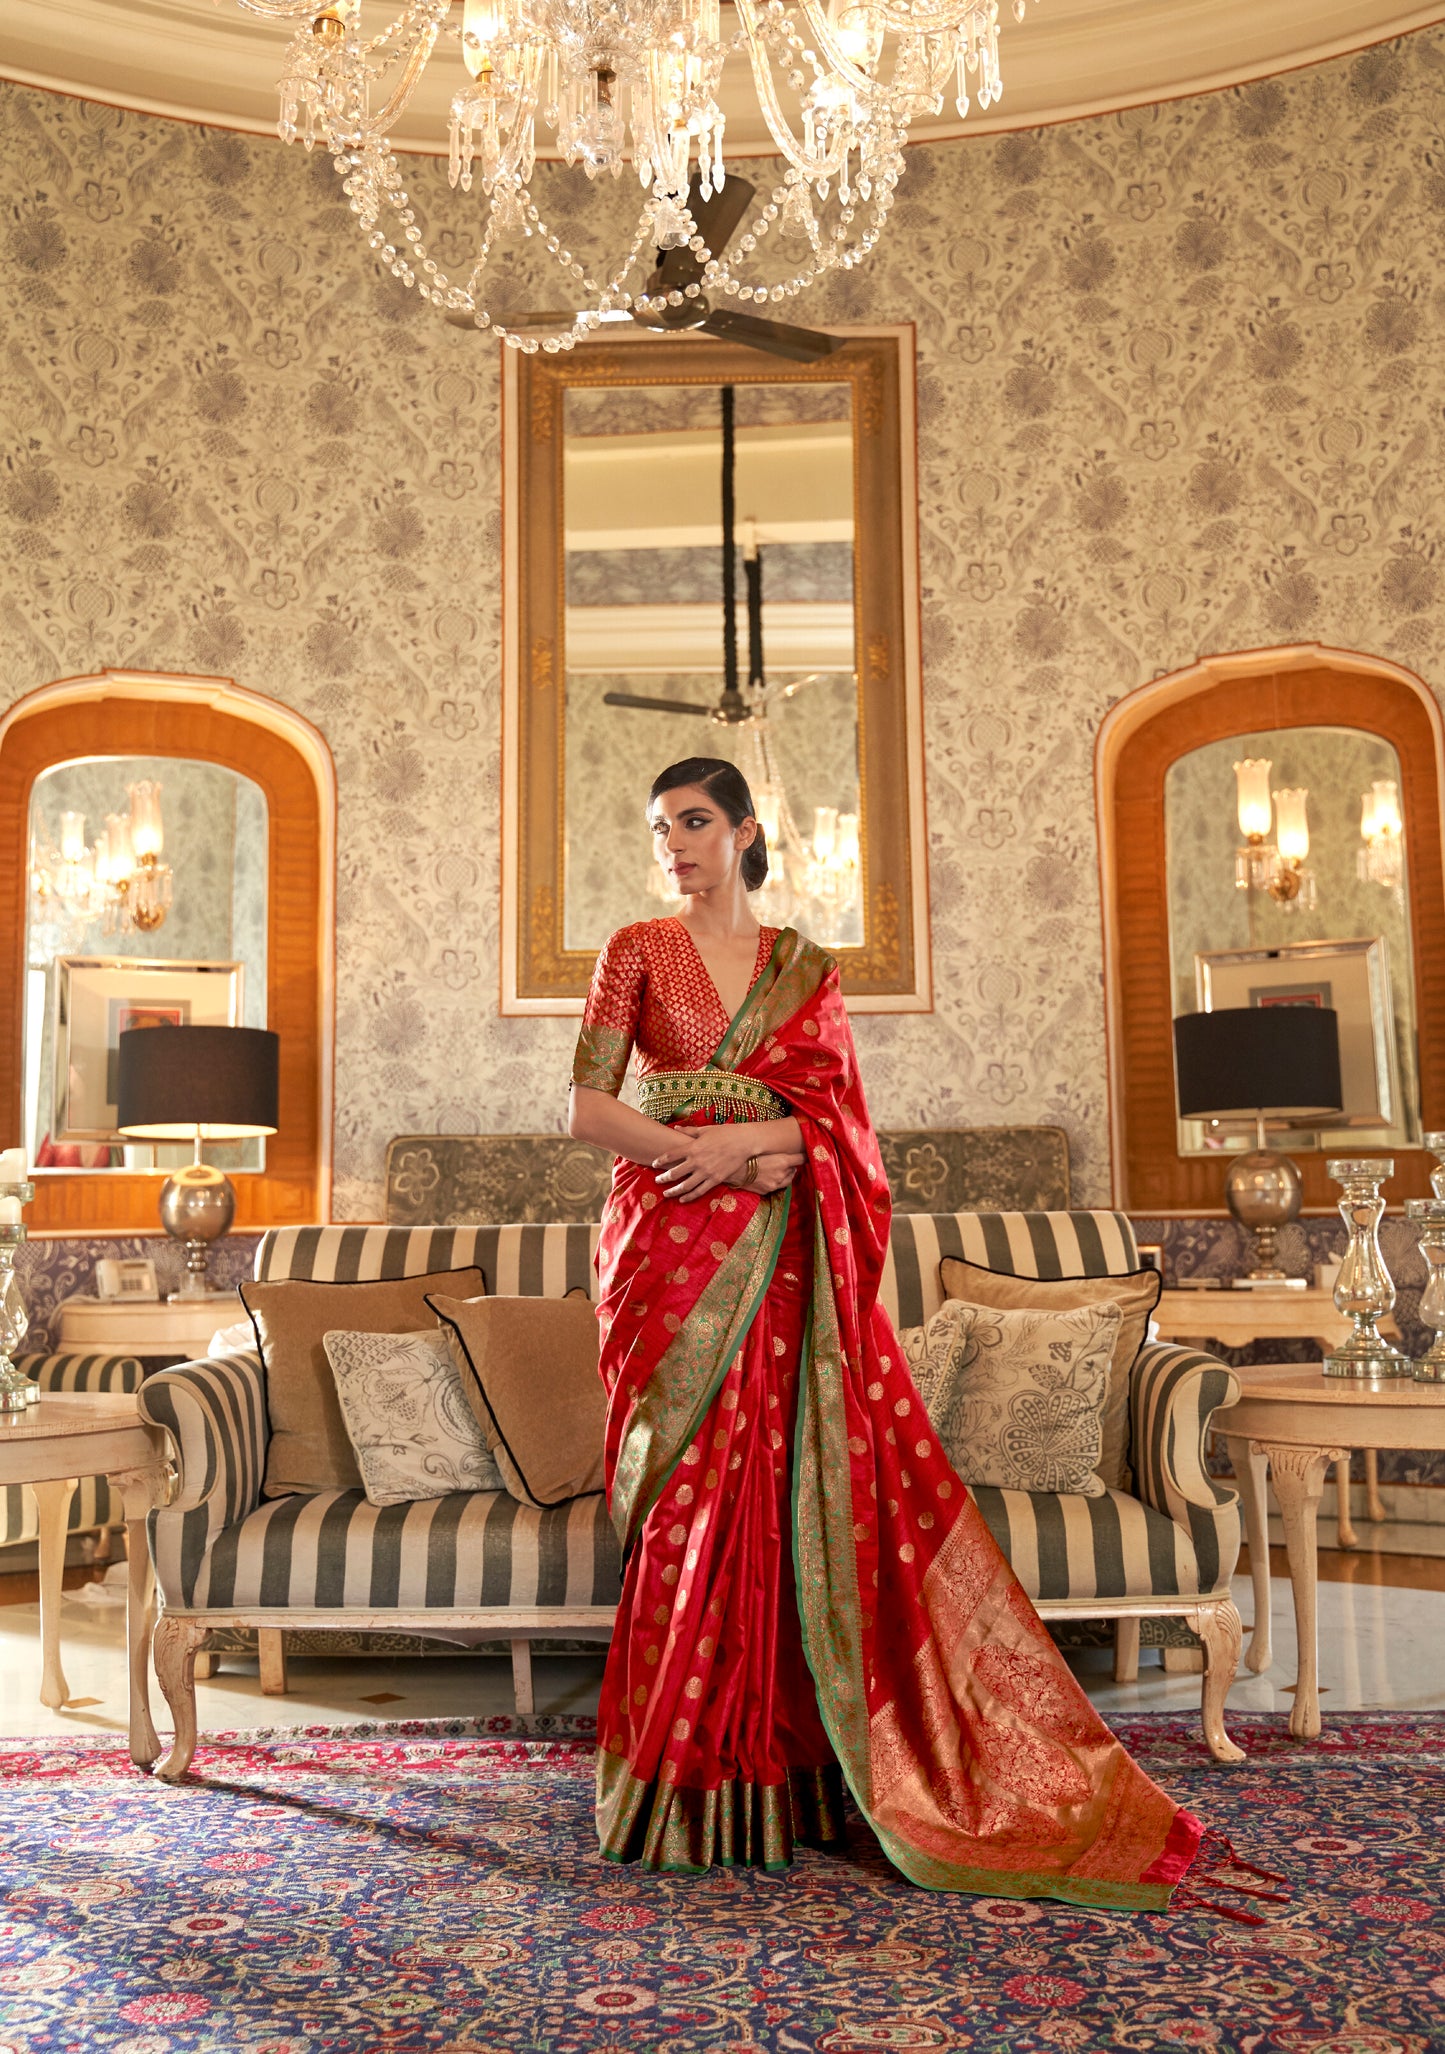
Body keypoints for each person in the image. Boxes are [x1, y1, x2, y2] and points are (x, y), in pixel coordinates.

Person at [568, 756, 1272, 1914]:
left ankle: (786, 1775)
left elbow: (839, 1138)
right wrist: (690, 1151)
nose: (674, 844)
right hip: (664, 1249)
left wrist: (744, 1152)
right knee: (690, 1499)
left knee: (776, 1490)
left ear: (745, 830)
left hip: (781, 1248)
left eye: (694, 822)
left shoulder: (807, 969)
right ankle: (678, 1778)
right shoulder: (634, 950)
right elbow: (590, 1106)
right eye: (658, 827)